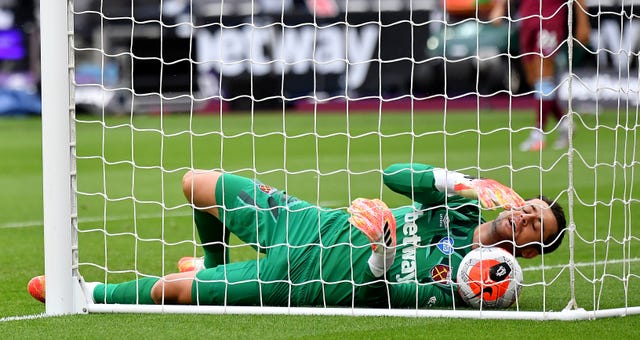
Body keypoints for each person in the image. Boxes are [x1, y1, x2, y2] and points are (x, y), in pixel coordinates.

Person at [28, 163, 566, 309]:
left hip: (308, 278)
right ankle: (214, 267)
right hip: (311, 222)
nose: (524, 216)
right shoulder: (459, 206)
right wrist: (463, 181)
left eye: (535, 224)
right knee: (197, 184)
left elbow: (388, 295)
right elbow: (395, 176)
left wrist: (381, 249)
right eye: (530, 207)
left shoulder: (478, 281)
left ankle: (80, 294)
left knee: (172, 293)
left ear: (529, 249)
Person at [490, 0, 591, 151]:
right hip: (527, 19)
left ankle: (538, 134)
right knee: (535, 80)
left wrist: (583, 22)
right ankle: (564, 124)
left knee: (544, 76)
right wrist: (500, 6)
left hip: (550, 19)